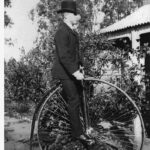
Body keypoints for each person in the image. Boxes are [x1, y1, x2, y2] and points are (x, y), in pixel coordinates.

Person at [52, 0, 94, 145]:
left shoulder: (71, 31)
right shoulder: (61, 32)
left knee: (82, 96)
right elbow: (64, 56)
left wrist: (81, 65)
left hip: (72, 71)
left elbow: (75, 53)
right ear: (66, 15)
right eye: (73, 13)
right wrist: (75, 72)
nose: (76, 15)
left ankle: (83, 128)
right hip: (65, 72)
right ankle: (78, 134)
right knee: (74, 100)